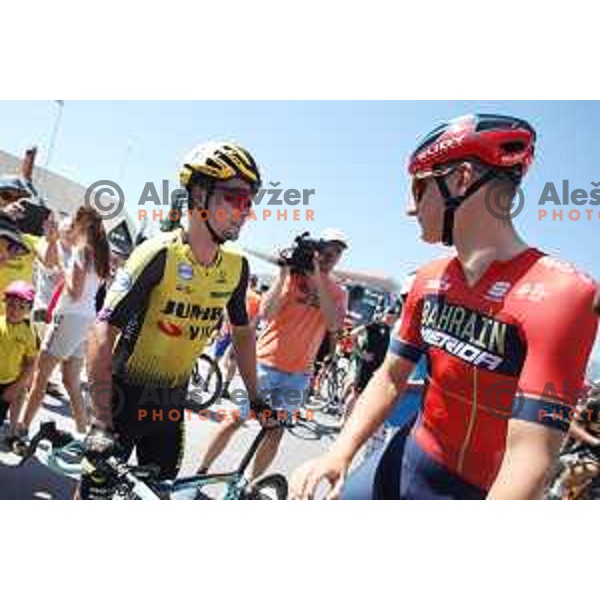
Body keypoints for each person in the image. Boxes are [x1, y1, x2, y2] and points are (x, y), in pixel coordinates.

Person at [291, 113, 598, 500]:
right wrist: (339, 452)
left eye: (419, 187)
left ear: (461, 179)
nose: (410, 207)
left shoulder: (562, 293)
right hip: (407, 456)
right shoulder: (428, 277)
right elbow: (390, 378)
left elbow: (531, 455)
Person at [81, 142, 263, 499]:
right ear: (199, 194)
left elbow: (242, 334)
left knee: (158, 498)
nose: (245, 211)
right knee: (92, 498)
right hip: (121, 402)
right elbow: (102, 330)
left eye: (249, 202)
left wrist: (256, 396)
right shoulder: (158, 254)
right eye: (235, 198)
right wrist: (101, 422)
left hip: (169, 407)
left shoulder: (236, 268)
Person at [196, 228, 348, 483]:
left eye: (338, 252)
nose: (332, 256)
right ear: (317, 251)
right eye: (328, 250)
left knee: (274, 431)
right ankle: (202, 470)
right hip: (265, 365)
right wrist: (283, 274)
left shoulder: (338, 293)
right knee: (234, 419)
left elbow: (333, 324)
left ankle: (250, 485)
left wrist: (318, 277)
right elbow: (265, 313)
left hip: (298, 375)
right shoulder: (290, 279)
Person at [21, 207, 110, 435]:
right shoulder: (99, 255)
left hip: (70, 317)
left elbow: (74, 292)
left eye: (74, 224)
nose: (71, 228)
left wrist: (63, 267)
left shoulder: (82, 251)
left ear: (82, 225)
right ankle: (82, 433)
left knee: (40, 377)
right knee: (70, 381)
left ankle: (20, 428)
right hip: (86, 320)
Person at [0, 281, 37, 452]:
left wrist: (17, 387)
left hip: (8, 384)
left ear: (29, 309)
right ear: (4, 303)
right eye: (11, 304)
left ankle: (12, 434)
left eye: (22, 307)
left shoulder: (28, 333)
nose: (15, 310)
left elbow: (30, 363)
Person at [219, 273, 262, 399]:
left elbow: (227, 309)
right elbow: (256, 320)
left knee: (219, 357)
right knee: (233, 361)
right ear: (255, 283)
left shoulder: (239, 293)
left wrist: (225, 325)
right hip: (242, 333)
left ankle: (209, 380)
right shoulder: (258, 299)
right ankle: (225, 387)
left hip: (229, 328)